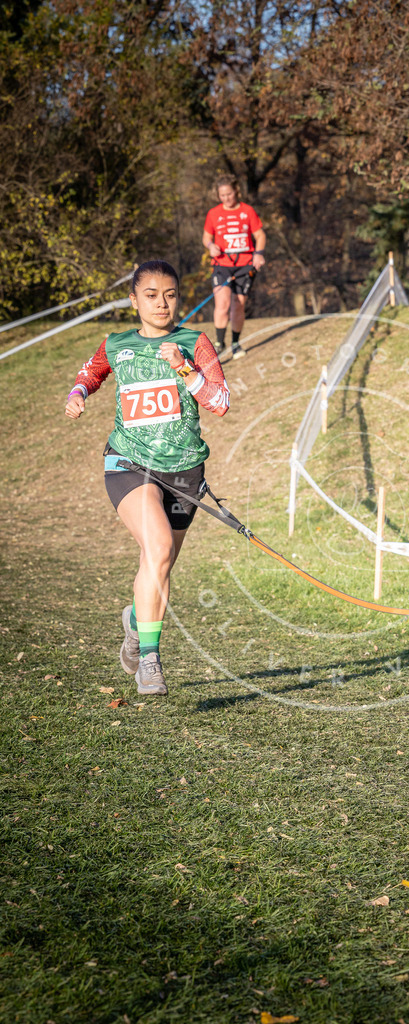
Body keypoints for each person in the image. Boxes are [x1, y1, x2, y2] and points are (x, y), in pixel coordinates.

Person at [65, 260, 231, 697]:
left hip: (184, 471)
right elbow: (91, 372)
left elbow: (220, 401)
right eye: (152, 295)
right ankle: (150, 660)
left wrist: (185, 369)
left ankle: (137, 623)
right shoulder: (116, 343)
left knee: (159, 564)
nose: (162, 303)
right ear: (134, 300)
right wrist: (78, 394)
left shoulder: (194, 342)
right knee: (157, 547)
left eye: (170, 295)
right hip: (129, 463)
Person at [202, 177, 266, 359]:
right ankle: (219, 344)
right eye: (222, 195)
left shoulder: (247, 211)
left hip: (244, 265)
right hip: (222, 265)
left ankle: (236, 344)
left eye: (229, 194)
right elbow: (206, 237)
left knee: (238, 305)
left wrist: (259, 253)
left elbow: (260, 235)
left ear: (236, 191)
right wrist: (210, 246)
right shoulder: (213, 213)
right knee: (222, 303)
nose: (226, 198)